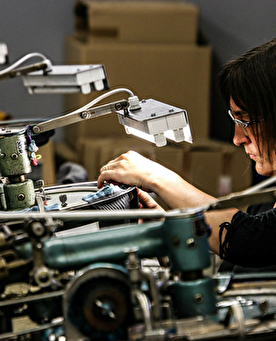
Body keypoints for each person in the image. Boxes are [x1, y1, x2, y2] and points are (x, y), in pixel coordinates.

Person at [97, 38, 276, 272]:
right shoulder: (266, 196)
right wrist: (170, 231)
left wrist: (157, 177)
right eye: (235, 120)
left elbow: (249, 241)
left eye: (245, 120)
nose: (237, 138)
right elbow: (238, 262)